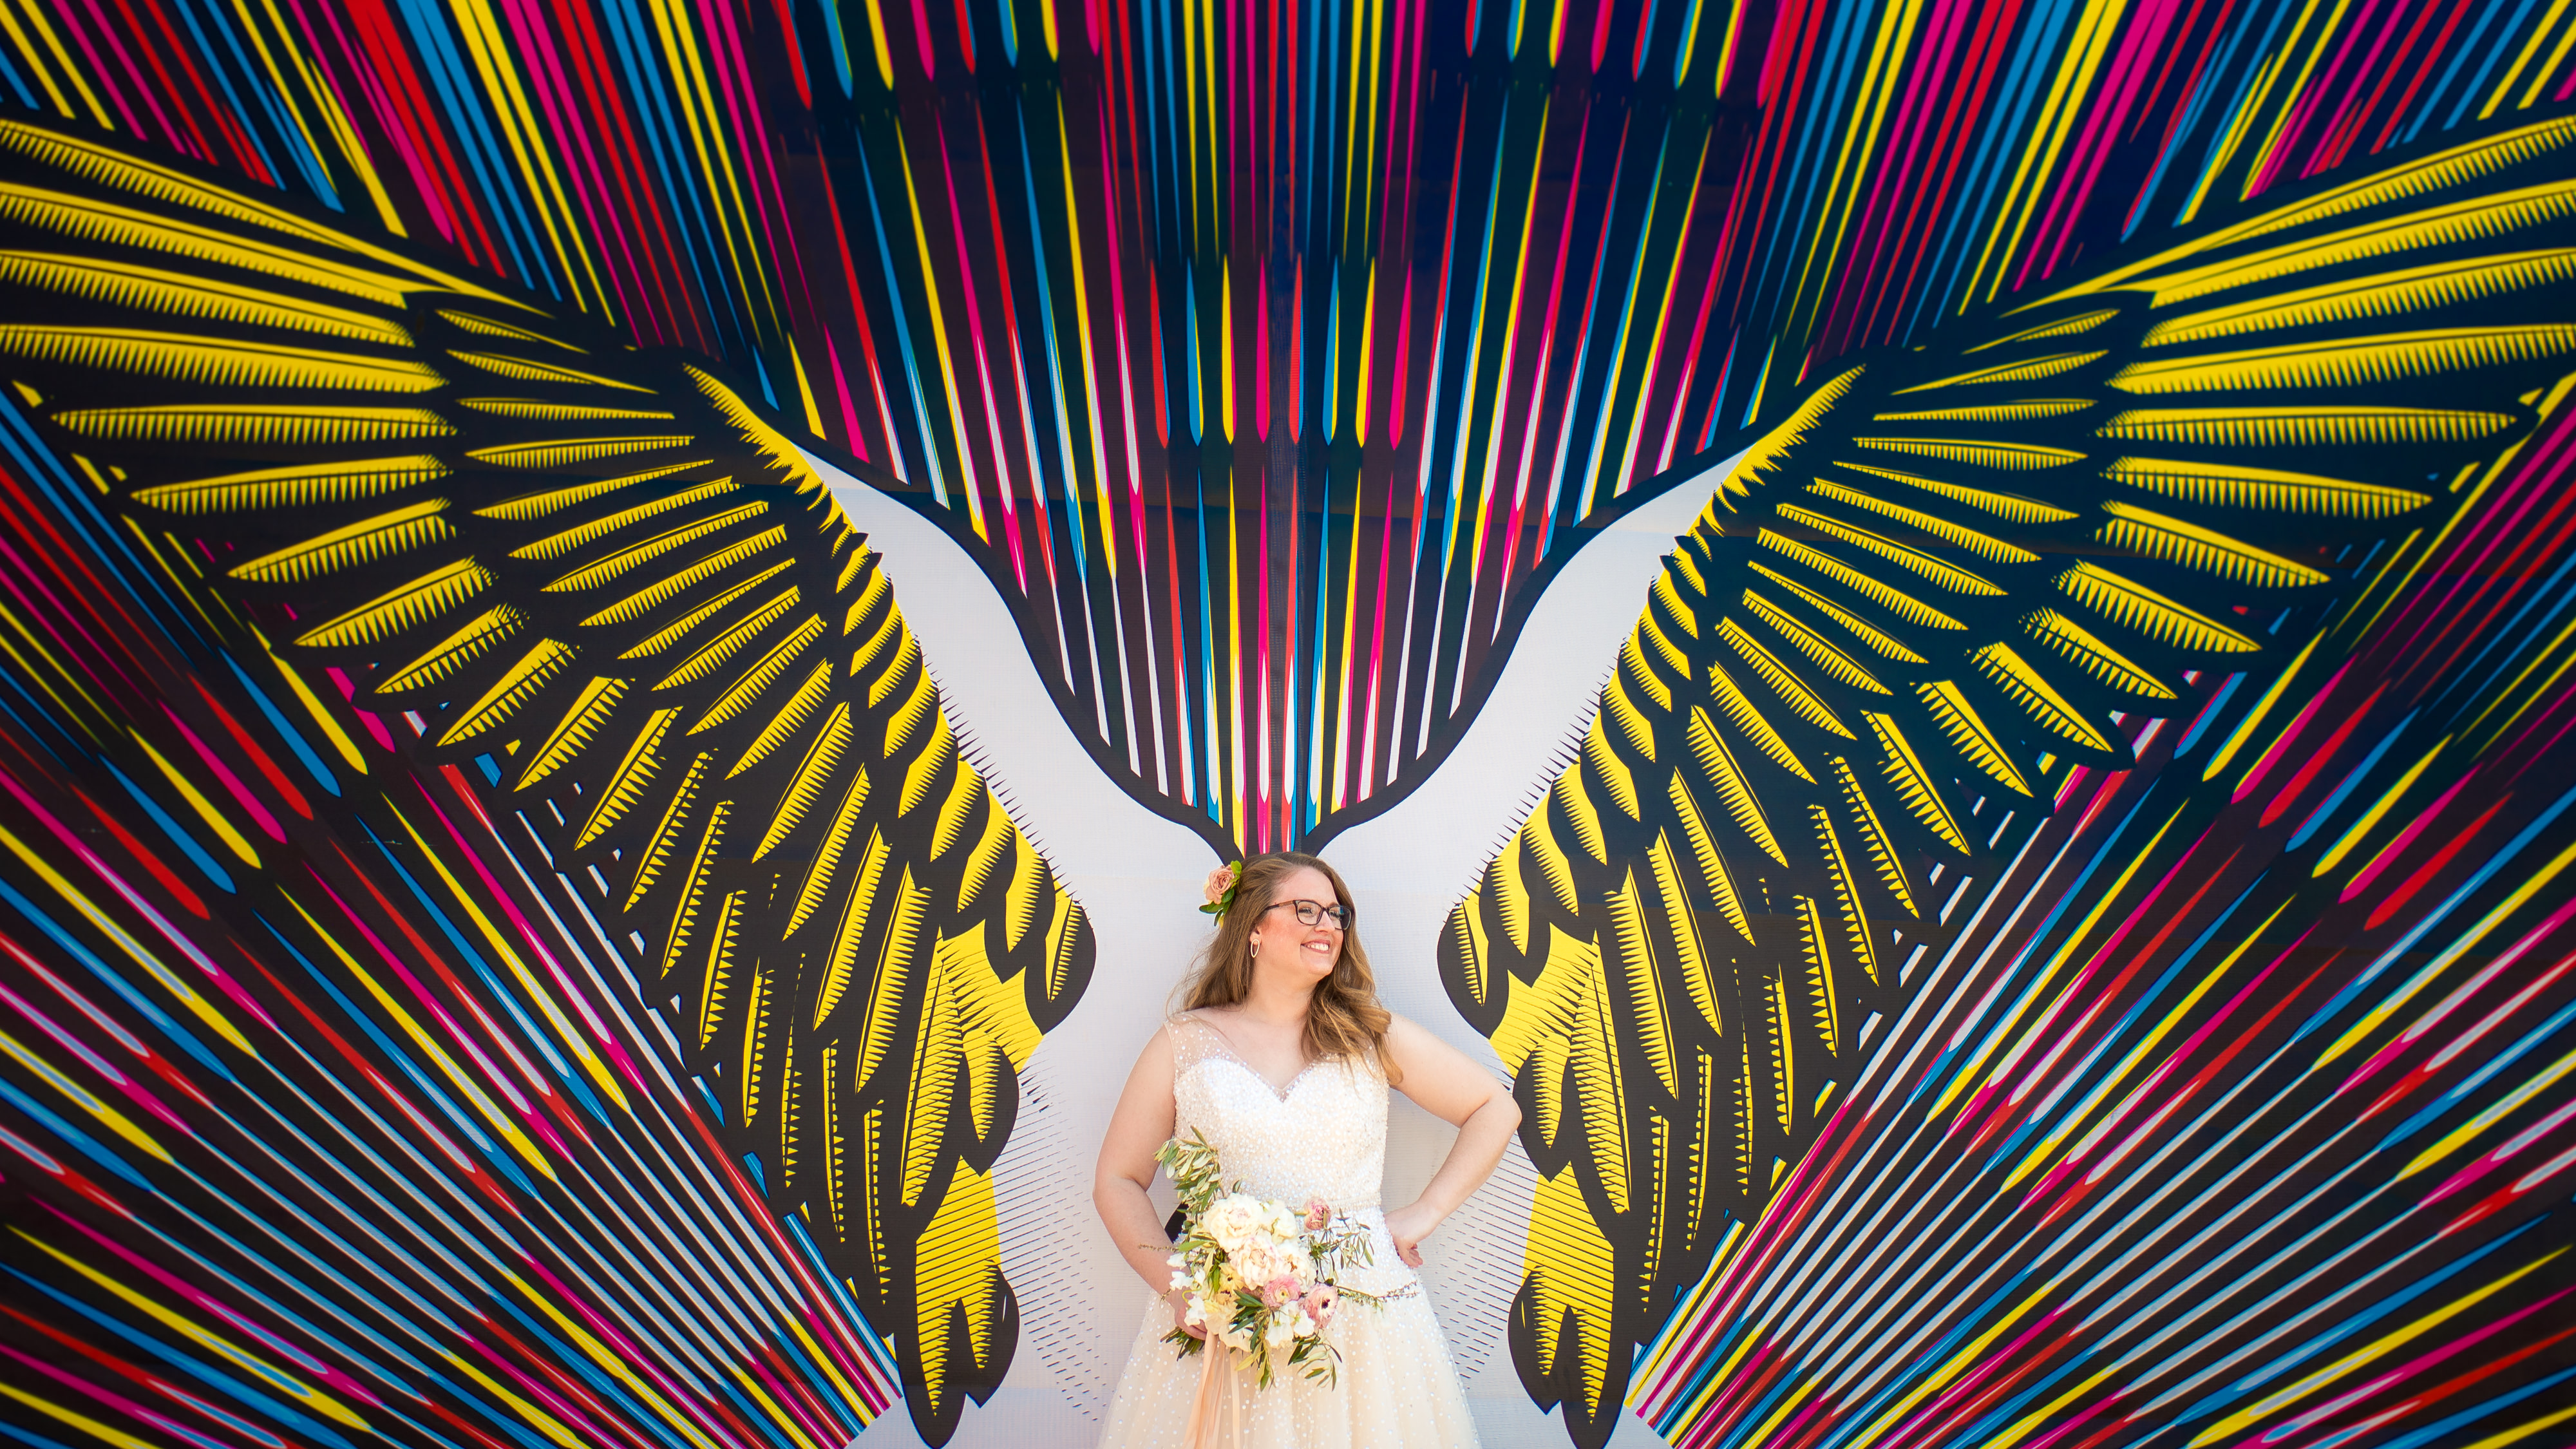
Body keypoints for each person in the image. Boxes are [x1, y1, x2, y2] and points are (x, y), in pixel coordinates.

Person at [1092, 851, 1522, 1447]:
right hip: (1228, 1318)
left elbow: (1495, 1108)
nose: (1329, 926)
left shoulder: (1372, 1036)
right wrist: (1178, 1289)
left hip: (1361, 1324)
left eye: (1338, 914)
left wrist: (1422, 1215)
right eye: (1306, 909)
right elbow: (1117, 1178)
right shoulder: (1185, 1042)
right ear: (1253, 929)